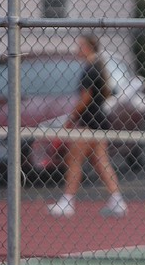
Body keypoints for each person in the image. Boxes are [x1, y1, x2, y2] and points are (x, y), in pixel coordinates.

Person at [48, 35, 127, 218]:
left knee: (74, 159)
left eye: (81, 46)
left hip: (89, 122)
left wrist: (72, 117)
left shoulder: (90, 69)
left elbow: (86, 98)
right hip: (99, 120)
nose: (78, 49)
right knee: (100, 161)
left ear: (89, 47)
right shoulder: (98, 66)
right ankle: (117, 201)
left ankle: (67, 202)